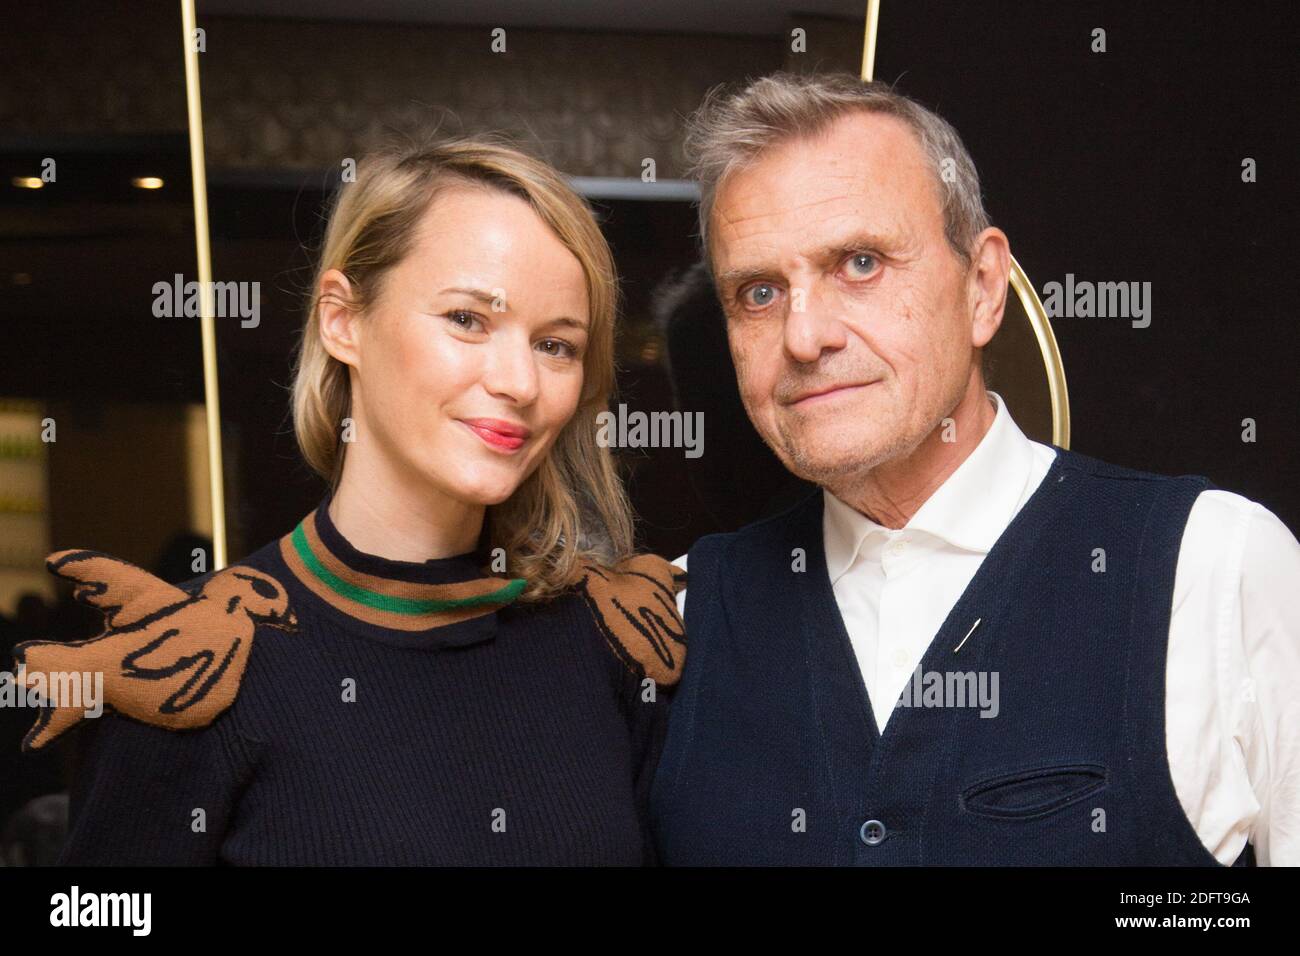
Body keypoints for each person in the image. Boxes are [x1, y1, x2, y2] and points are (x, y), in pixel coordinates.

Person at [651, 72, 1300, 866]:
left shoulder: (1215, 570)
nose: (804, 335)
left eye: (860, 262)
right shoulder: (683, 620)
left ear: (983, 287)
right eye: (758, 291)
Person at [13, 136, 686, 865]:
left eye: (557, 345)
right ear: (342, 320)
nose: (519, 382)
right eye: (467, 320)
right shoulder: (202, 667)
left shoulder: (611, 639)